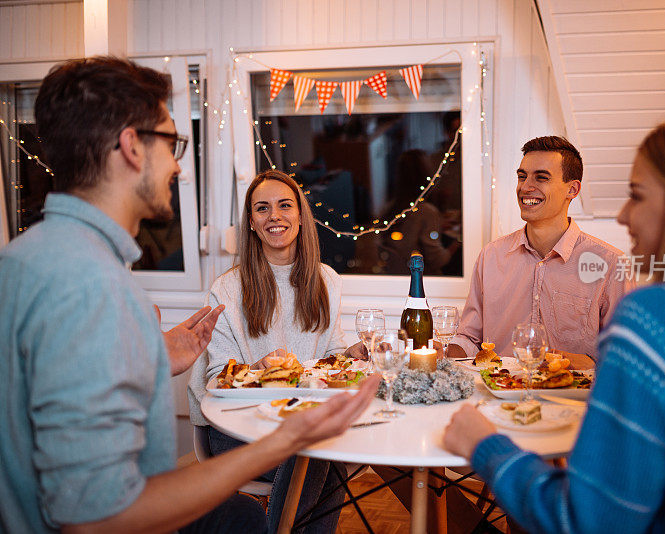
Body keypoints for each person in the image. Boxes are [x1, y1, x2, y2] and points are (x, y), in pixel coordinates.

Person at [0, 56, 380, 534]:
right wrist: (286, 440)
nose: (178, 165)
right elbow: (98, 517)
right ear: (132, 147)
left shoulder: (25, 259)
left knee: (251, 511)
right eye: (172, 142)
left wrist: (153, 354)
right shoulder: (93, 288)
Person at [443, 117, 665, 533]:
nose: (626, 215)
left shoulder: (655, 317)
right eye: (522, 176)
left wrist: (484, 446)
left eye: (637, 195)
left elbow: (586, 520)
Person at [188, 169, 360, 532]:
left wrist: (353, 356)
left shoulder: (327, 280)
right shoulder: (227, 288)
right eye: (262, 209)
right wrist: (257, 369)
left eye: (285, 205)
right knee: (316, 458)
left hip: (298, 420)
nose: (275, 216)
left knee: (320, 459)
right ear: (251, 222)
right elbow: (216, 378)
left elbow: (331, 351)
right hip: (236, 428)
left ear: (300, 214)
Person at [447, 136, 633, 367]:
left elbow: (623, 358)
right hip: (497, 397)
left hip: (570, 400)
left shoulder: (610, 264)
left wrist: (562, 361)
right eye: (522, 176)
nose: (525, 187)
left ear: (572, 189)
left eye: (541, 178)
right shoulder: (491, 256)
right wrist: (440, 353)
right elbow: (469, 338)